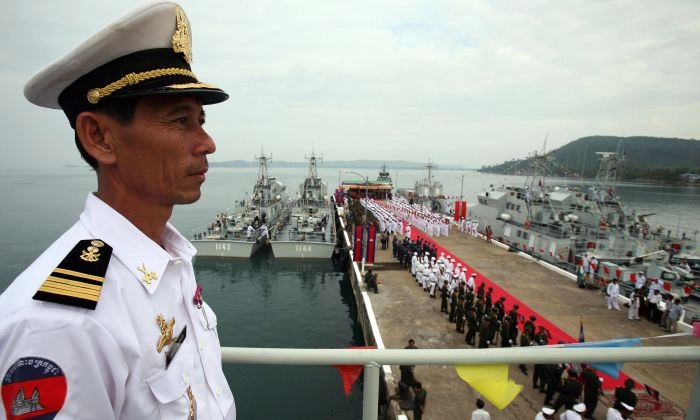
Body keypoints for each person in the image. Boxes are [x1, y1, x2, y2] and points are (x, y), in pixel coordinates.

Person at [0, 3, 236, 419]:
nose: (207, 143)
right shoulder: (61, 323)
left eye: (201, 119)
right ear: (99, 138)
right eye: (181, 120)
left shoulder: (167, 263)